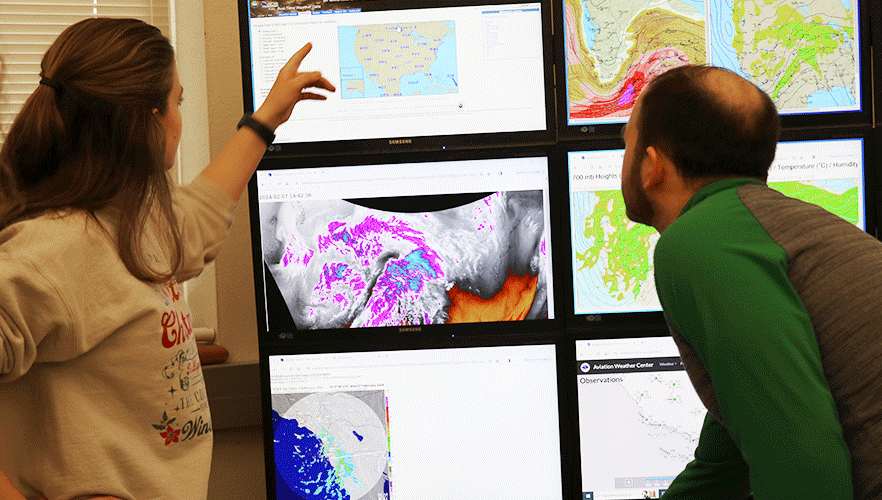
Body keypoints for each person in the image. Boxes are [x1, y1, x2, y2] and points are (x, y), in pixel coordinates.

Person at [0, 18, 334, 499]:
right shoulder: (54, 250)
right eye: (178, 101)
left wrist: (265, 121)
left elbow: (199, 216)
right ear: (149, 120)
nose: (181, 114)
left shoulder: (131, 224)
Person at [620, 64, 882, 499]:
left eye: (625, 143)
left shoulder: (697, 242)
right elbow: (725, 463)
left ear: (651, 167)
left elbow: (805, 474)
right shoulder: (773, 227)